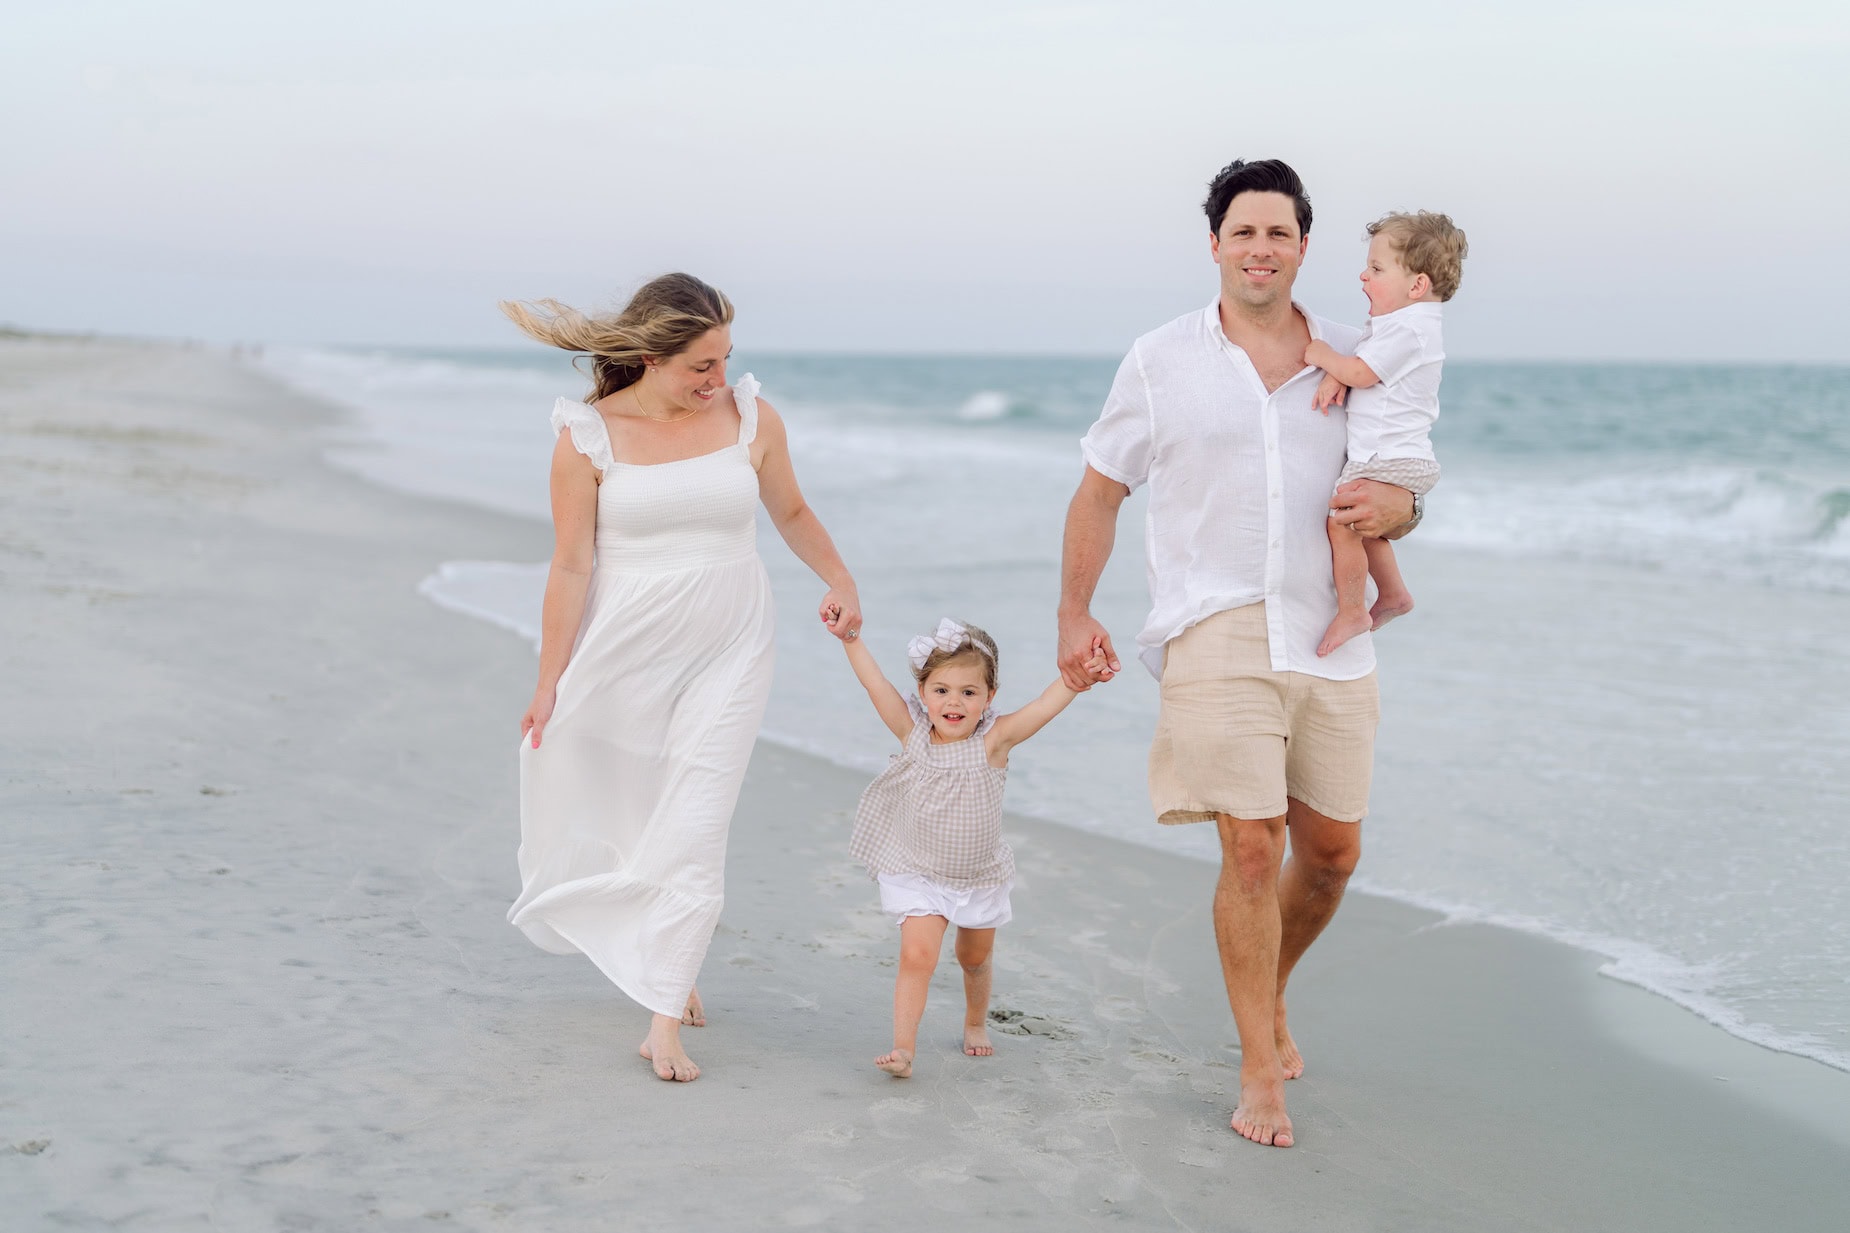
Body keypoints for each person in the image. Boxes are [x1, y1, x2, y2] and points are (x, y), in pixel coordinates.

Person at [1057, 159, 1420, 1148]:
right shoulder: (1157, 359)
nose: (1259, 248)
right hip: (1211, 625)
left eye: (1278, 234)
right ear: (1213, 244)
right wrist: (1072, 613)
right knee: (1251, 845)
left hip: (1327, 633)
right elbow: (1099, 489)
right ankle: (1259, 1070)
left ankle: (1266, 992)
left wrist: (1404, 507)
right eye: (1242, 232)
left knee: (1333, 855)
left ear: (1303, 248)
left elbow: (1398, 487)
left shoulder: (1354, 358)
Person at [503, 274, 861, 1084]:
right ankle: (668, 952)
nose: (718, 380)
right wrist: (548, 678)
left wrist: (838, 578)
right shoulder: (587, 435)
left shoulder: (751, 418)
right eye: (701, 365)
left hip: (733, 643)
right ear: (650, 356)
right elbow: (570, 564)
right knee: (634, 807)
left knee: (698, 814)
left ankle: (660, 1021)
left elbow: (793, 513)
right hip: (627, 644)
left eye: (726, 359)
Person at [839, 618, 1107, 1078]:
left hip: (978, 875)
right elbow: (874, 684)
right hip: (917, 871)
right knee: (916, 956)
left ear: (990, 695)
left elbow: (1044, 706)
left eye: (968, 691)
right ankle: (904, 1049)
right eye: (941, 690)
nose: (954, 702)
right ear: (922, 693)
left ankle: (975, 1021)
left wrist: (1076, 680)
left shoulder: (994, 740)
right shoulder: (912, 733)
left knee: (974, 959)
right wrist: (851, 638)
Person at [1303, 210, 1468, 656]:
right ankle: (1394, 594)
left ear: (1416, 285)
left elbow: (1361, 370)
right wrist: (1343, 374)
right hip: (1399, 457)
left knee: (1341, 525)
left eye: (1376, 269)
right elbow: (1366, 367)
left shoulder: (1412, 329)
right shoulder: (1405, 326)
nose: (1363, 276)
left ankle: (1353, 609)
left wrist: (1322, 356)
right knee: (1366, 530)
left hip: (1387, 456)